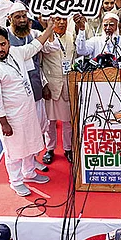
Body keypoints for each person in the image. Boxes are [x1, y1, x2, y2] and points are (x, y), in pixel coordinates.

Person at [0, 22, 56, 197]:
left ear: (8, 42)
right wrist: (3, 123)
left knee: (30, 144)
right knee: (14, 152)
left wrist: (50, 28)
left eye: (3, 44)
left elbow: (34, 46)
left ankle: (29, 173)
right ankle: (15, 182)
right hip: (10, 118)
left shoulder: (15, 52)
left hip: (27, 111)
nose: (0, 48)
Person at [40, 16, 75, 164]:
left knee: (68, 122)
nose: (61, 23)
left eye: (64, 20)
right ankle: (50, 149)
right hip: (51, 87)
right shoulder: (44, 37)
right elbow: (39, 65)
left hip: (67, 86)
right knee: (50, 122)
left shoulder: (72, 37)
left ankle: (68, 149)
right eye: (58, 20)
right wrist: (44, 84)